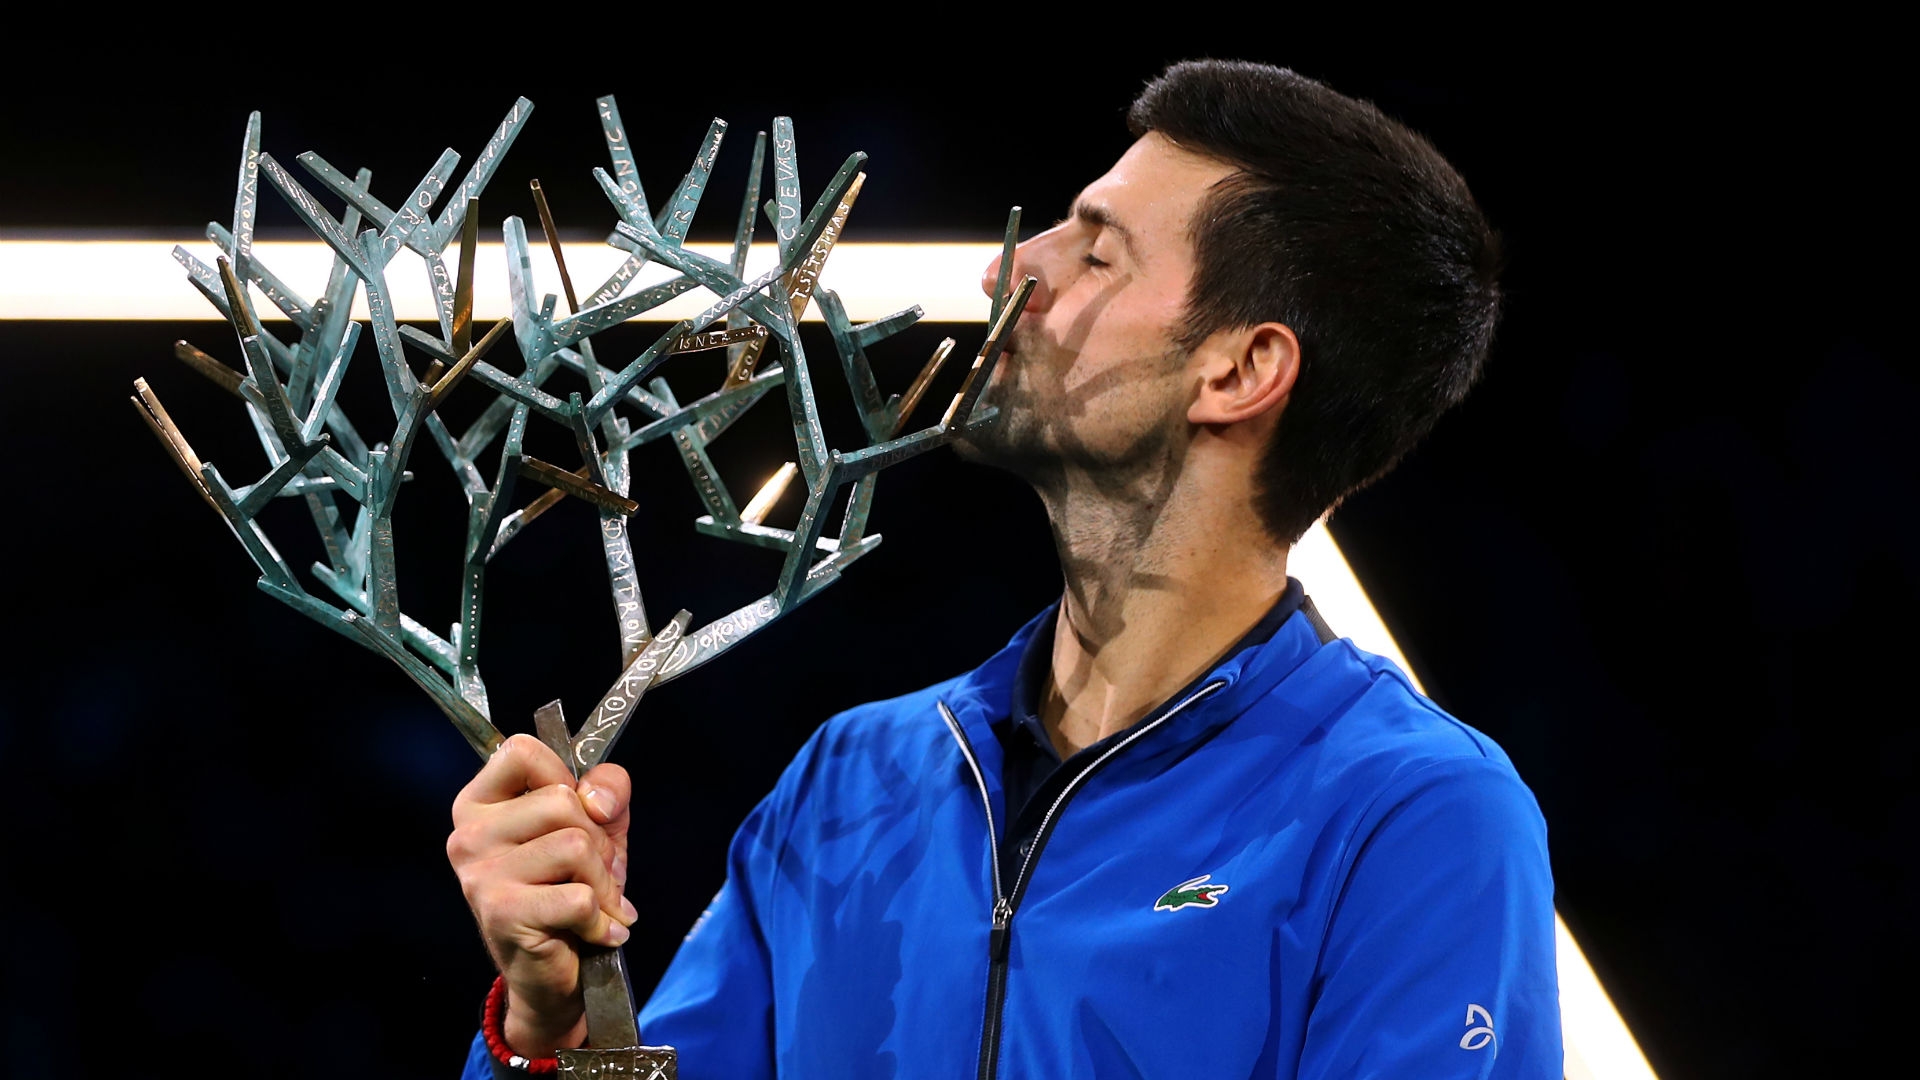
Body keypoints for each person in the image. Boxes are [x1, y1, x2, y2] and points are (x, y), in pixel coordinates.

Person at [450, 59, 1560, 1079]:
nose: (1005, 268)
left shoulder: (1412, 818)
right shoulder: (855, 778)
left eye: (1094, 249)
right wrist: (554, 1020)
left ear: (1240, 370)